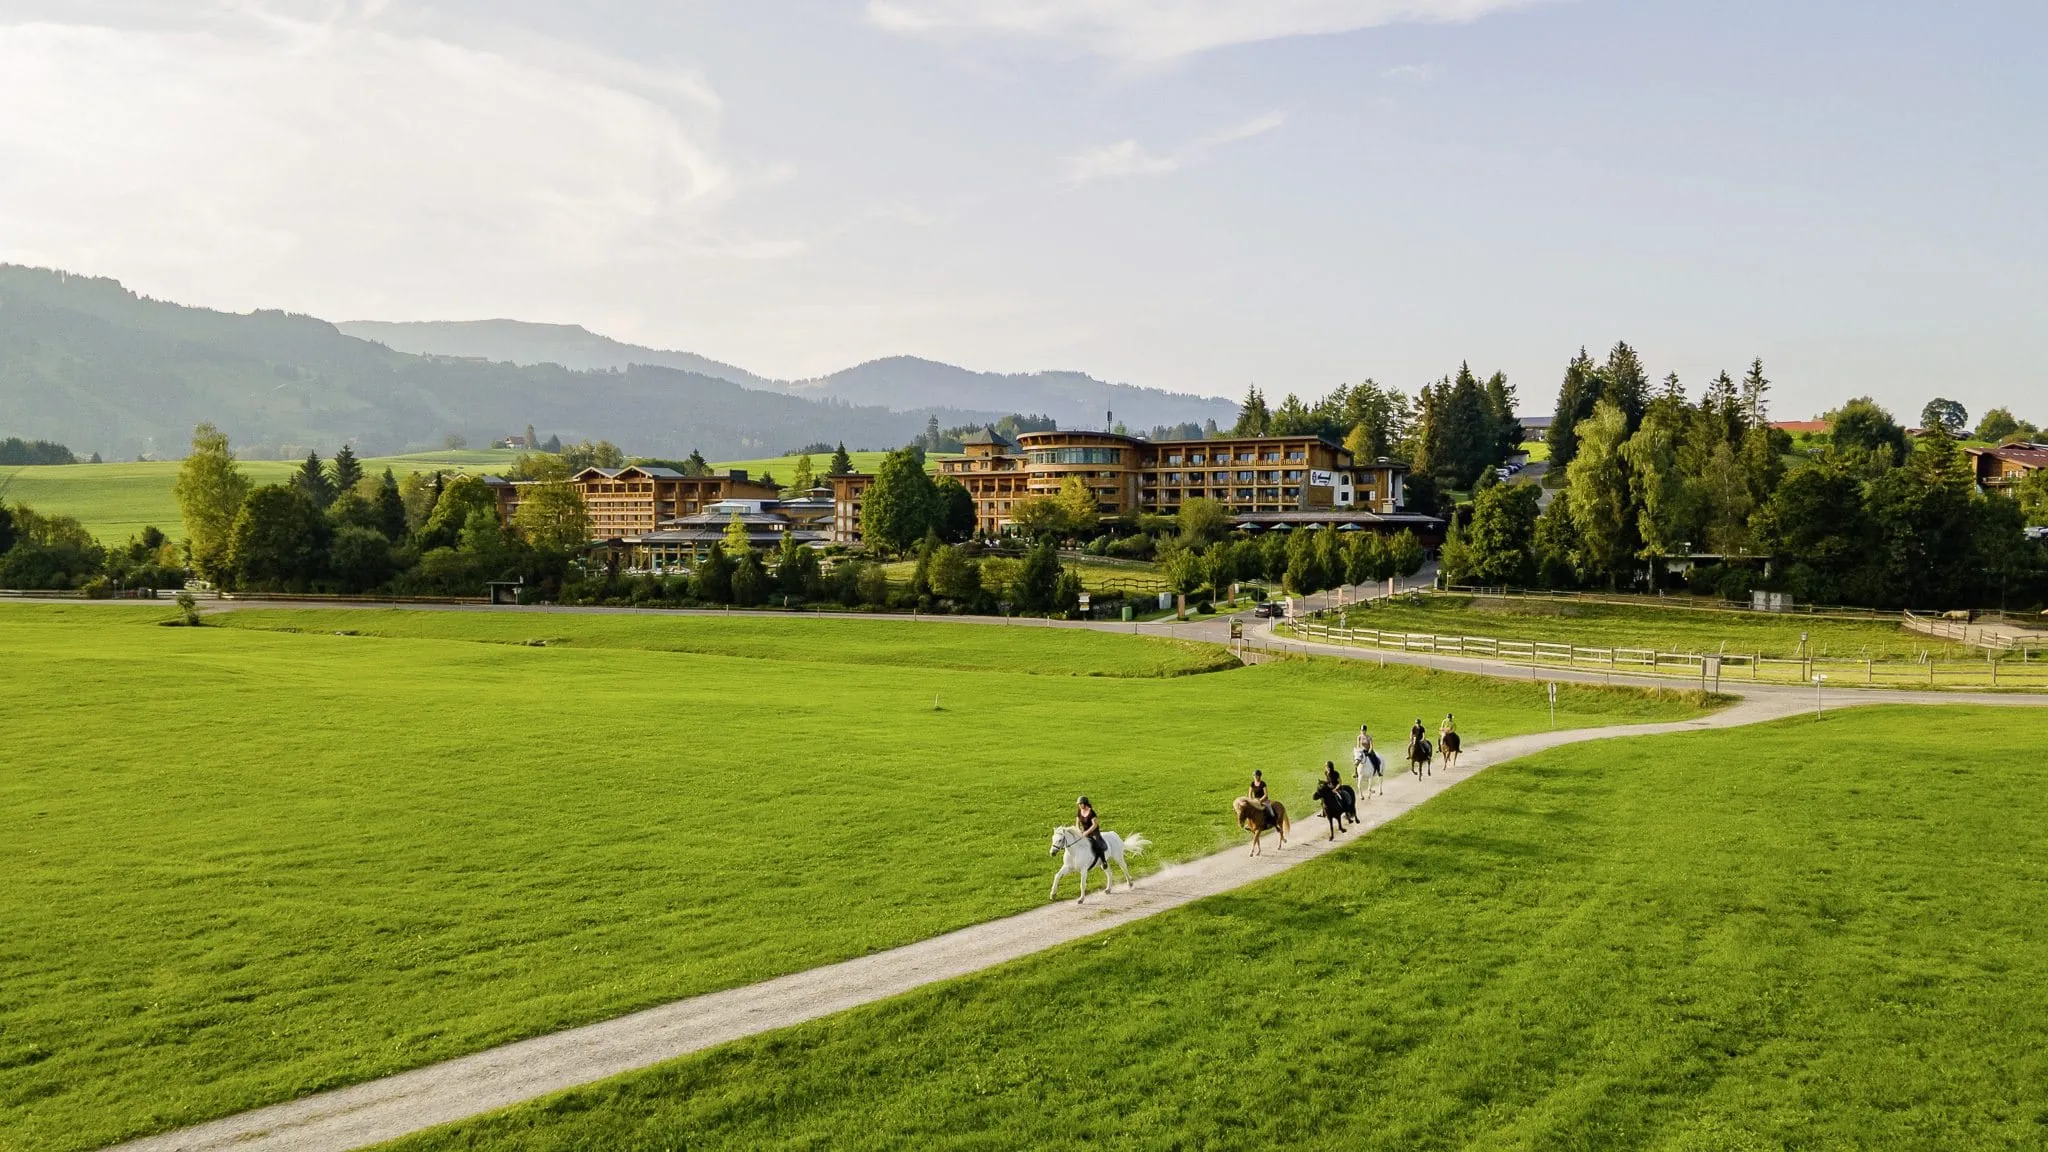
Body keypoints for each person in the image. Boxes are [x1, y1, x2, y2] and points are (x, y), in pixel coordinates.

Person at [1075, 796, 1105, 868]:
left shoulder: (1091, 812)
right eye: (1079, 804)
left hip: (1093, 831)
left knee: (1098, 845)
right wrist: (1079, 830)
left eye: (1080, 804)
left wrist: (1087, 832)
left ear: (1085, 804)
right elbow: (1077, 823)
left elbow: (1095, 825)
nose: (1079, 805)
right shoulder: (1079, 811)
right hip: (1084, 831)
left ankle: (1104, 861)